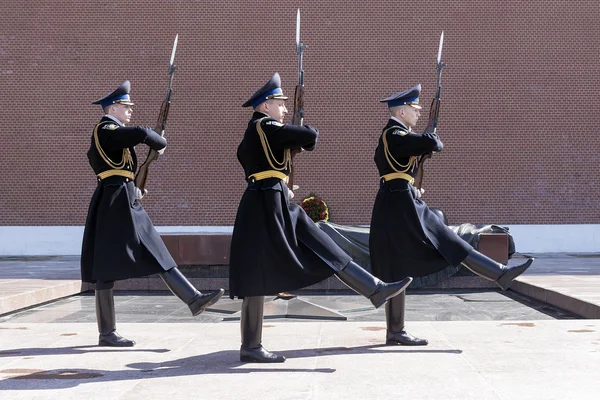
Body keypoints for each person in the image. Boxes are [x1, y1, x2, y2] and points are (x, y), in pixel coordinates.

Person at [229, 73, 413, 363]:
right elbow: (310, 136)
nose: (285, 110)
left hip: (273, 199)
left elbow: (279, 150)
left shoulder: (261, 133)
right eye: (280, 104)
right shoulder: (263, 126)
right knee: (256, 273)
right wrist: (301, 129)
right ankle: (250, 347)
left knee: (323, 243)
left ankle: (374, 288)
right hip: (263, 204)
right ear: (265, 106)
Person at [369, 84, 534, 346]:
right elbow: (433, 143)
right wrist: (430, 136)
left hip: (402, 199)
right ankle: (396, 331)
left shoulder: (397, 135)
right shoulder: (393, 133)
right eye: (414, 108)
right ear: (400, 111)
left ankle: (499, 273)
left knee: (431, 249)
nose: (418, 113)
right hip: (399, 203)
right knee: (402, 262)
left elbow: (415, 154)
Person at [81, 80, 224, 347]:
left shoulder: (113, 131)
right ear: (112, 107)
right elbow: (138, 134)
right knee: (106, 265)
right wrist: (156, 140)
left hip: (121, 196)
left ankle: (192, 298)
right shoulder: (105, 129)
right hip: (114, 199)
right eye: (126, 106)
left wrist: (134, 185)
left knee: (153, 247)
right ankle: (108, 332)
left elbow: (124, 161)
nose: (130, 110)